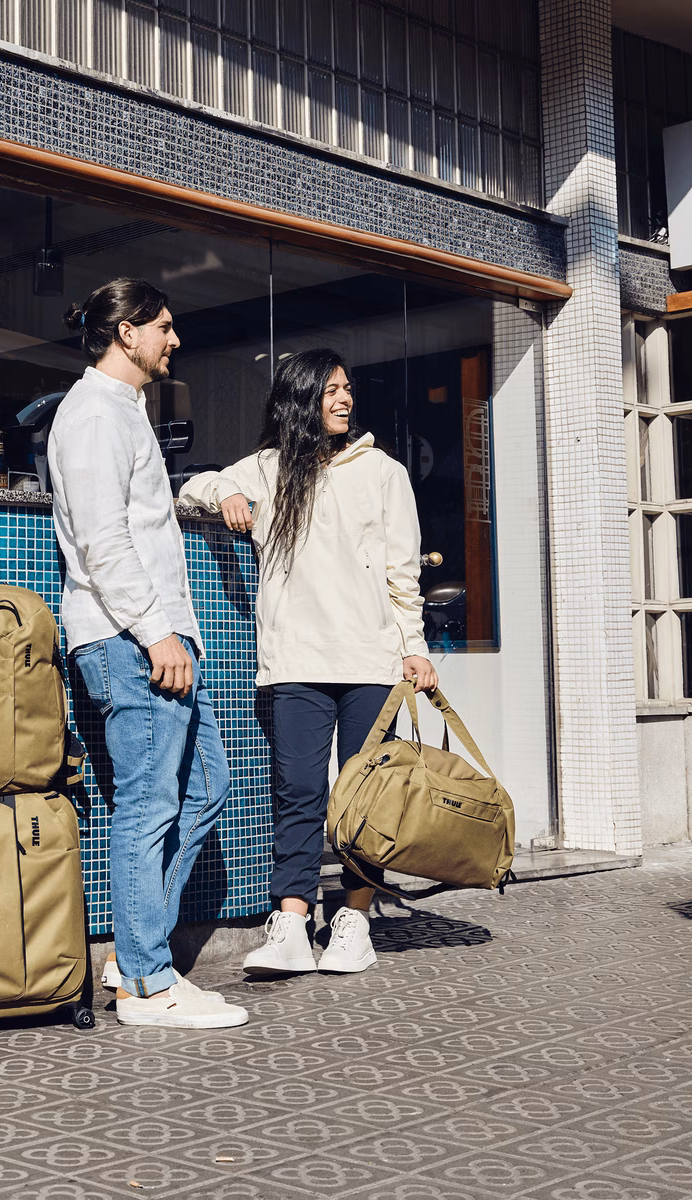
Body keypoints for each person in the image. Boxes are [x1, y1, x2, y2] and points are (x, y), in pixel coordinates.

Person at [180, 348, 437, 975]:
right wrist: (229, 492)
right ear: (301, 400)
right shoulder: (268, 469)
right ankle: (292, 921)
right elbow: (189, 488)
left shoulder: (383, 472)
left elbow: (404, 574)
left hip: (371, 663)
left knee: (364, 796)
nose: (344, 399)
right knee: (296, 791)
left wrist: (415, 649)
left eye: (347, 387)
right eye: (330, 390)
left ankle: (353, 919)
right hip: (294, 660)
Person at [48, 277, 248, 1029]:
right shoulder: (93, 414)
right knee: (148, 805)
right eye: (163, 326)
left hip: (156, 639)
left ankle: (134, 954)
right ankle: (147, 978)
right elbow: (103, 542)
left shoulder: (124, 413)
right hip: (131, 642)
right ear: (126, 333)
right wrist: (156, 632)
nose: (173, 338)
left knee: (203, 791)